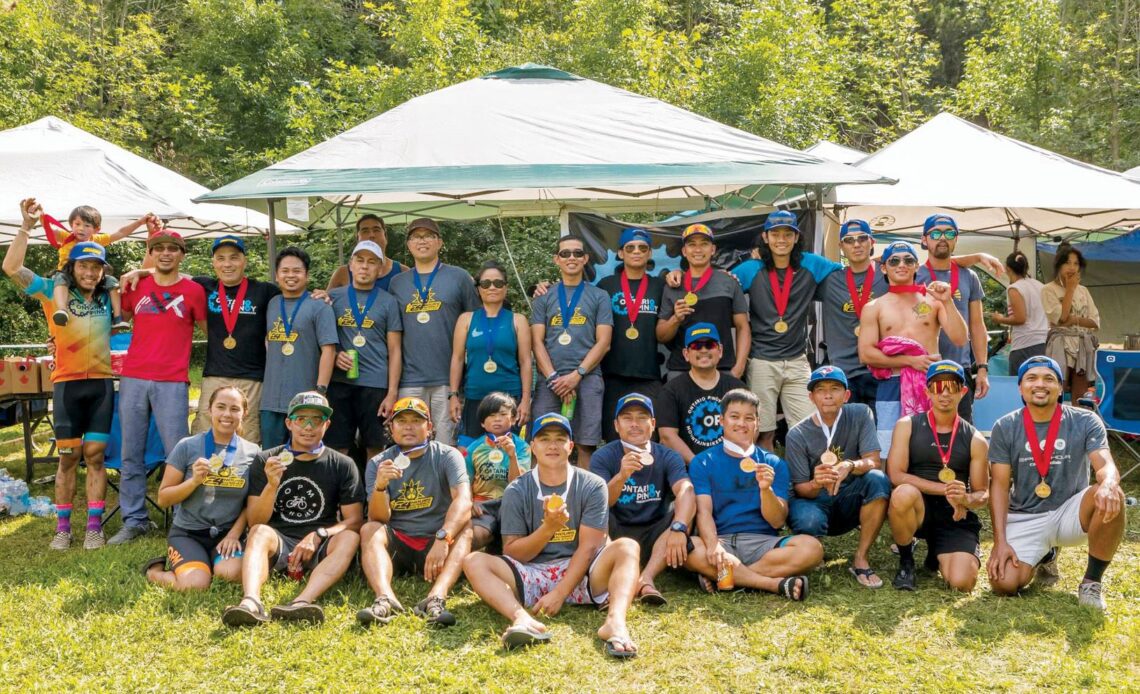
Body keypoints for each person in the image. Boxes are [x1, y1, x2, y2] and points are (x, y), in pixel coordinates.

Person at [462, 413, 640, 657]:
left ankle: (615, 623)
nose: (553, 446)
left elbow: (589, 547)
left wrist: (560, 593)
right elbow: (513, 552)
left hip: (584, 571)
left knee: (628, 546)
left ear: (571, 446)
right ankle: (521, 618)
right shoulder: (517, 489)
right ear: (532, 447)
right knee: (473, 561)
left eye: (560, 439)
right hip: (532, 571)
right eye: (544, 439)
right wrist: (548, 528)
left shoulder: (593, 485)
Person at [3, 200, 116, 550]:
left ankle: (94, 528)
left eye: (96, 267)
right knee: (68, 458)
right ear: (73, 266)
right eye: (84, 265)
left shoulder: (108, 297)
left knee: (95, 455)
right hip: (66, 384)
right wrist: (26, 227)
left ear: (102, 270)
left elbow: (146, 273)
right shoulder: (54, 292)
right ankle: (63, 529)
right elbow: (11, 267)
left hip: (100, 384)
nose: (90, 272)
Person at [987, 356, 1126, 610]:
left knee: (1110, 492)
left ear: (1061, 387)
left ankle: (1091, 582)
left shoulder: (1085, 421)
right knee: (1003, 583)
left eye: (1049, 378)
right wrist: (1000, 542)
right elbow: (998, 485)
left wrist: (1108, 484)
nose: (1040, 384)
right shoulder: (1005, 427)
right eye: (1031, 378)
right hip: (1025, 515)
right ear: (1020, 387)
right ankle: (1046, 555)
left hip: (1070, 512)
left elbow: (1105, 463)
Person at [222, 391, 364, 626]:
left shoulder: (342, 464)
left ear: (326, 425)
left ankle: (302, 602)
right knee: (258, 532)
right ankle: (251, 602)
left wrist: (320, 534)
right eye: (301, 419)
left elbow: (355, 520)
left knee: (349, 538)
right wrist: (271, 485)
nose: (308, 427)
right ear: (289, 423)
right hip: (279, 539)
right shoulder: (267, 459)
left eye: (316, 420)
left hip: (320, 543)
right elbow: (255, 520)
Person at [110, 228, 208, 545]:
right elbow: (119, 313)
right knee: (131, 453)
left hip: (173, 381)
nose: (166, 253)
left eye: (173, 248)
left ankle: (184, 520)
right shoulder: (137, 286)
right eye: (159, 248)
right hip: (134, 378)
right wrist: (133, 274)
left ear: (182, 254)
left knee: (177, 454)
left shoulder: (193, 291)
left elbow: (209, 328)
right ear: (151, 253)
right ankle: (135, 520)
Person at [684, 389, 823, 601]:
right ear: (721, 420)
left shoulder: (773, 463)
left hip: (764, 543)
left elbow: (777, 521)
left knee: (812, 548)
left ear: (757, 423)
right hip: (721, 541)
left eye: (749, 418)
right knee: (689, 547)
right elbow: (704, 512)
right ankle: (771, 584)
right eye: (734, 417)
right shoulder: (702, 462)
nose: (742, 423)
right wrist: (713, 546)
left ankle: (725, 577)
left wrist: (765, 489)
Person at [357, 397, 473, 627]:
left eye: (416, 421)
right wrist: (380, 486)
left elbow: (464, 501)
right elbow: (378, 518)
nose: (408, 426)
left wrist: (443, 536)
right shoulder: (379, 462)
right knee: (370, 529)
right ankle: (385, 598)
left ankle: (436, 597)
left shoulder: (447, 455)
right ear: (391, 428)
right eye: (401, 421)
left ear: (429, 427)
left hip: (437, 542)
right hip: (399, 541)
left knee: (466, 529)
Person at [886, 361, 989, 592]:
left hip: (954, 514)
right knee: (902, 494)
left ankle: (936, 553)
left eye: (952, 387)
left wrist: (966, 499)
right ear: (927, 391)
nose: (944, 393)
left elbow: (983, 493)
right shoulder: (907, 425)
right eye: (938, 386)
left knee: (962, 583)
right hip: (918, 507)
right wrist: (945, 489)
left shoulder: (976, 439)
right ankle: (906, 561)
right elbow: (895, 475)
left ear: (963, 392)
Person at [742, 211, 840, 451]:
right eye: (775, 234)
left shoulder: (811, 263)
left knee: (808, 428)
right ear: (765, 237)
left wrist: (878, 265)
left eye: (788, 234)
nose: (781, 239)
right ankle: (767, 482)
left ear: (797, 237)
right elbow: (721, 282)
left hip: (797, 361)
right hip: (762, 361)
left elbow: (847, 272)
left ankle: (803, 484)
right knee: (763, 431)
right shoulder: (751, 268)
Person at [143, 386, 259, 590]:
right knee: (195, 585)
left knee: (232, 574)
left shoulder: (253, 452)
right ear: (209, 409)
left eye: (234, 409)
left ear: (244, 413)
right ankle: (155, 572)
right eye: (221, 407)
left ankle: (209, 564)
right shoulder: (187, 446)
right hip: (188, 533)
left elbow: (252, 503)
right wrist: (194, 481)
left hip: (228, 534)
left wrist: (235, 534)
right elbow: (164, 498)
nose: (227, 414)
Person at [785, 366, 889, 589]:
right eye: (820, 390)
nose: (828, 395)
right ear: (811, 397)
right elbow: (801, 488)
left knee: (878, 479)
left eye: (835, 388)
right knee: (808, 520)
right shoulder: (797, 434)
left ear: (847, 395)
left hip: (849, 496)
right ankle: (815, 551)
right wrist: (816, 482)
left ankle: (861, 558)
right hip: (814, 501)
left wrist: (850, 465)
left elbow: (873, 460)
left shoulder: (860, 413)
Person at [859, 241, 967, 454]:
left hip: (930, 384)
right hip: (892, 384)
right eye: (894, 260)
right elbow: (866, 353)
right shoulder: (874, 307)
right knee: (889, 445)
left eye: (908, 260)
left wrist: (947, 302)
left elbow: (960, 338)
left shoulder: (934, 301)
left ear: (917, 266)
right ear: (883, 267)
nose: (902, 264)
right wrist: (910, 361)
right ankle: (892, 486)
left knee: (933, 443)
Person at [589, 393, 694, 605]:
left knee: (688, 508)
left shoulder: (667, 455)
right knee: (596, 514)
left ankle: (646, 578)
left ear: (653, 424)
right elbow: (600, 503)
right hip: (616, 532)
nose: (635, 424)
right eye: (627, 418)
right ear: (616, 425)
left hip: (656, 533)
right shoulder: (603, 456)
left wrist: (680, 527)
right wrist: (621, 476)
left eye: (642, 418)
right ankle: (613, 571)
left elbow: (685, 489)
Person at [388, 217, 480, 446]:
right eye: (416, 237)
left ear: (439, 242)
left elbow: (475, 324)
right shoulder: (397, 283)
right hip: (409, 380)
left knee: (445, 446)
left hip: (448, 381)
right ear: (408, 244)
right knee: (409, 444)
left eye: (428, 236)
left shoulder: (459, 277)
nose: (422, 241)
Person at [184, 235, 281, 444]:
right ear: (214, 262)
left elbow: (295, 296)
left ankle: (243, 477)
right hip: (215, 375)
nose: (227, 264)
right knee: (205, 431)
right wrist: (140, 271)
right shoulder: (203, 286)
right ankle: (201, 476)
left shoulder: (265, 291)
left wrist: (321, 294)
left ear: (244, 260)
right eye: (221, 258)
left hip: (252, 377)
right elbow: (170, 275)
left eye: (234, 258)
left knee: (248, 434)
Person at [530, 235, 613, 468]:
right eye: (565, 253)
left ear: (586, 258)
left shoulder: (599, 296)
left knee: (586, 443)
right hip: (550, 380)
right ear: (556, 259)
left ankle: (583, 499)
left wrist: (577, 374)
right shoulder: (544, 296)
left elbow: (604, 342)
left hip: (587, 378)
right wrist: (555, 378)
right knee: (542, 439)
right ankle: (540, 500)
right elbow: (537, 342)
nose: (572, 258)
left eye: (577, 253)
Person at [325, 240, 403, 463]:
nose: (364, 267)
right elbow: (322, 339)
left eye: (371, 262)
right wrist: (336, 353)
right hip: (340, 383)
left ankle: (373, 495)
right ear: (350, 265)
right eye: (359, 260)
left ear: (379, 269)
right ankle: (340, 497)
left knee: (376, 448)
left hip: (375, 385)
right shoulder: (333, 297)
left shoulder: (389, 302)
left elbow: (395, 349)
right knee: (337, 448)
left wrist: (392, 392)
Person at [260, 246, 338, 448]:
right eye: (285, 271)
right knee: (272, 457)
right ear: (276, 275)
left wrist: (320, 391)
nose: (290, 275)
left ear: (307, 275)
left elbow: (329, 350)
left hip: (305, 400)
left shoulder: (320, 306)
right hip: (271, 400)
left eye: (297, 271)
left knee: (304, 455)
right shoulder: (272, 303)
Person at [916, 215, 991, 420]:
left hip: (960, 368)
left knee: (961, 436)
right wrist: (977, 255)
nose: (942, 238)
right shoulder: (912, 274)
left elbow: (977, 325)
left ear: (956, 239)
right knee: (922, 435)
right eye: (935, 233)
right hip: (922, 369)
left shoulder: (969, 276)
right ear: (924, 240)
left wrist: (982, 368)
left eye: (949, 233)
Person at [595, 228, 666, 442]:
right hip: (612, 374)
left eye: (642, 248)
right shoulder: (605, 286)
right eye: (630, 248)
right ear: (620, 253)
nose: (636, 252)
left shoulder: (660, 285)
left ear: (650, 253)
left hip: (649, 375)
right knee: (613, 436)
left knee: (649, 437)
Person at [449, 260, 532, 438]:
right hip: (475, 395)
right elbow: (456, 359)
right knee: (471, 451)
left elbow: (526, 362)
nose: (492, 287)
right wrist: (453, 395)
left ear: (506, 287)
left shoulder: (518, 320)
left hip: (509, 398)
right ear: (478, 289)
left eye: (498, 283)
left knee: (508, 452)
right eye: (486, 283)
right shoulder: (466, 319)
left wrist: (525, 400)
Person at [656, 223, 749, 380]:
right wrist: (675, 319)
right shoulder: (673, 285)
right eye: (692, 245)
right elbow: (661, 336)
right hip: (681, 371)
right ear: (684, 251)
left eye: (704, 244)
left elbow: (743, 327)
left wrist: (739, 368)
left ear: (713, 249)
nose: (698, 250)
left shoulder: (729, 282)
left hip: (723, 369)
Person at [818, 219, 889, 408]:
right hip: (843, 374)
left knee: (882, 435)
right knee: (846, 436)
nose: (856, 244)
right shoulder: (829, 281)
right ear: (841, 246)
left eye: (862, 238)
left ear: (872, 242)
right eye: (849, 240)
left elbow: (923, 264)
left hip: (881, 370)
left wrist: (974, 258)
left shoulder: (889, 275)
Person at [45, 205, 151, 330]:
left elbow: (120, 233)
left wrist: (140, 222)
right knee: (60, 277)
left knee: (111, 280)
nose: (81, 229)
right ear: (71, 225)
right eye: (77, 224)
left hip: (88, 278)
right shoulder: (66, 237)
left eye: (87, 226)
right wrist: (40, 216)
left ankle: (117, 317)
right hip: (67, 275)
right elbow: (49, 229)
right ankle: (62, 310)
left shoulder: (97, 240)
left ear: (96, 229)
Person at [655, 323, 746, 464]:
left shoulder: (738, 389)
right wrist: (698, 465)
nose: (703, 350)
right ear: (686, 354)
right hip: (688, 470)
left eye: (709, 345)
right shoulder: (670, 390)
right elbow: (667, 437)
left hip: (731, 464)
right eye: (696, 346)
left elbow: (749, 429)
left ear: (720, 350)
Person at [464, 392, 531, 550]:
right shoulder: (473, 448)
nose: (497, 419)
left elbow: (519, 484)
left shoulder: (522, 447)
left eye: (503, 414)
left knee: (512, 544)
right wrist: (469, 503)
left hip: (512, 504)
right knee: (476, 536)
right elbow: (466, 480)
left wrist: (512, 456)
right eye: (491, 415)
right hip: (483, 505)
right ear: (482, 422)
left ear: (514, 419)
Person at [1042, 244, 1101, 405]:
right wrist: (1069, 290)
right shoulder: (1048, 289)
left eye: (1076, 264)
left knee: (1081, 396)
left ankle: (1078, 428)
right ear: (1058, 264)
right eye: (1067, 263)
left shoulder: (1083, 290)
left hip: (1082, 344)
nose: (1072, 267)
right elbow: (1060, 318)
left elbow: (1095, 322)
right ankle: (1053, 427)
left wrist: (1073, 320)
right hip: (1060, 345)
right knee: (1055, 392)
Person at [990, 250, 1048, 374]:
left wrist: (1000, 319)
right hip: (1043, 342)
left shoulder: (1014, 288)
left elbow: (1020, 318)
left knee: (1020, 384)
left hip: (1024, 345)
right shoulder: (1040, 286)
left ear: (1008, 268)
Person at [326, 214, 407, 292]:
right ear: (358, 238)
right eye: (365, 231)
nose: (371, 235)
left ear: (385, 236)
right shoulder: (343, 273)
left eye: (376, 230)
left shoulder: (403, 272)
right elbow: (327, 302)